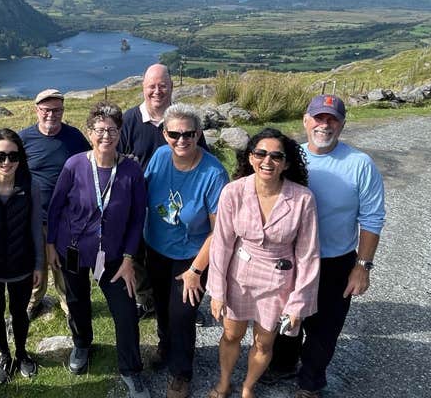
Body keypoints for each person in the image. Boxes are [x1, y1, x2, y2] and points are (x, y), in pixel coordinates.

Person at [265, 95, 386, 398]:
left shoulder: (360, 165)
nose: (324, 124)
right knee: (285, 317)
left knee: (324, 329)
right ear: (306, 121)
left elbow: (372, 219)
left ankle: (310, 383)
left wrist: (362, 267)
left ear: (342, 124)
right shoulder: (289, 158)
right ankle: (282, 365)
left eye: (332, 119)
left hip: (334, 260)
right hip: (289, 259)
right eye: (318, 118)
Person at [46, 101, 150, 398]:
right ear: (90, 133)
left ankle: (131, 370)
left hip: (115, 256)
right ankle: (82, 344)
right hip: (73, 249)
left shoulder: (131, 170)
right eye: (100, 130)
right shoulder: (75, 164)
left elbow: (137, 218)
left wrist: (129, 258)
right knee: (77, 301)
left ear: (120, 133)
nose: (106, 135)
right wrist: (52, 244)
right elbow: (55, 208)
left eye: (113, 129)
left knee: (126, 312)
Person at [207, 128, 320, 398]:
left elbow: (308, 254)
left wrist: (298, 303)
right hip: (238, 275)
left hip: (278, 280)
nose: (267, 161)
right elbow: (221, 243)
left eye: (276, 156)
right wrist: (217, 291)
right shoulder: (233, 192)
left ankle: (248, 387)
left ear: (287, 163)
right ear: (250, 157)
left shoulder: (303, 199)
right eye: (260, 153)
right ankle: (224, 382)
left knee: (264, 342)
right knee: (232, 335)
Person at [143, 102, 230, 398]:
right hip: (155, 248)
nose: (181, 140)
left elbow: (220, 231)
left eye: (189, 134)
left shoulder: (213, 173)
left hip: (192, 257)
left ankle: (181, 373)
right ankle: (165, 346)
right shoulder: (159, 157)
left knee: (182, 315)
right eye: (174, 134)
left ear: (198, 134)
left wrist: (196, 271)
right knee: (162, 307)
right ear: (164, 134)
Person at [118, 63, 210, 320]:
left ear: (171, 87)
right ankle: (148, 301)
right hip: (138, 204)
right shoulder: (129, 121)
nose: (157, 91)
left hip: (178, 205)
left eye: (163, 86)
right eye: (151, 86)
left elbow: (203, 159)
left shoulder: (183, 121)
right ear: (143, 88)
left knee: (173, 258)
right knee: (138, 256)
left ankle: (185, 307)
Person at [0, 128, 43, 383]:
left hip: (21, 263)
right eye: (0, 156)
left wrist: (39, 265)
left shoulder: (30, 185)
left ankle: (22, 353)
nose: (6, 162)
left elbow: (36, 227)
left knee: (19, 312)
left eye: (13, 156)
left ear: (21, 158)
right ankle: (4, 354)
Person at [20, 89, 91, 319]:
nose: (52, 115)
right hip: (34, 217)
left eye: (57, 110)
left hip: (67, 219)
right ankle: (34, 301)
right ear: (36, 110)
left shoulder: (75, 137)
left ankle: (69, 302)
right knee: (36, 263)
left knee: (67, 266)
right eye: (47, 110)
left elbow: (89, 168)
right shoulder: (24, 139)